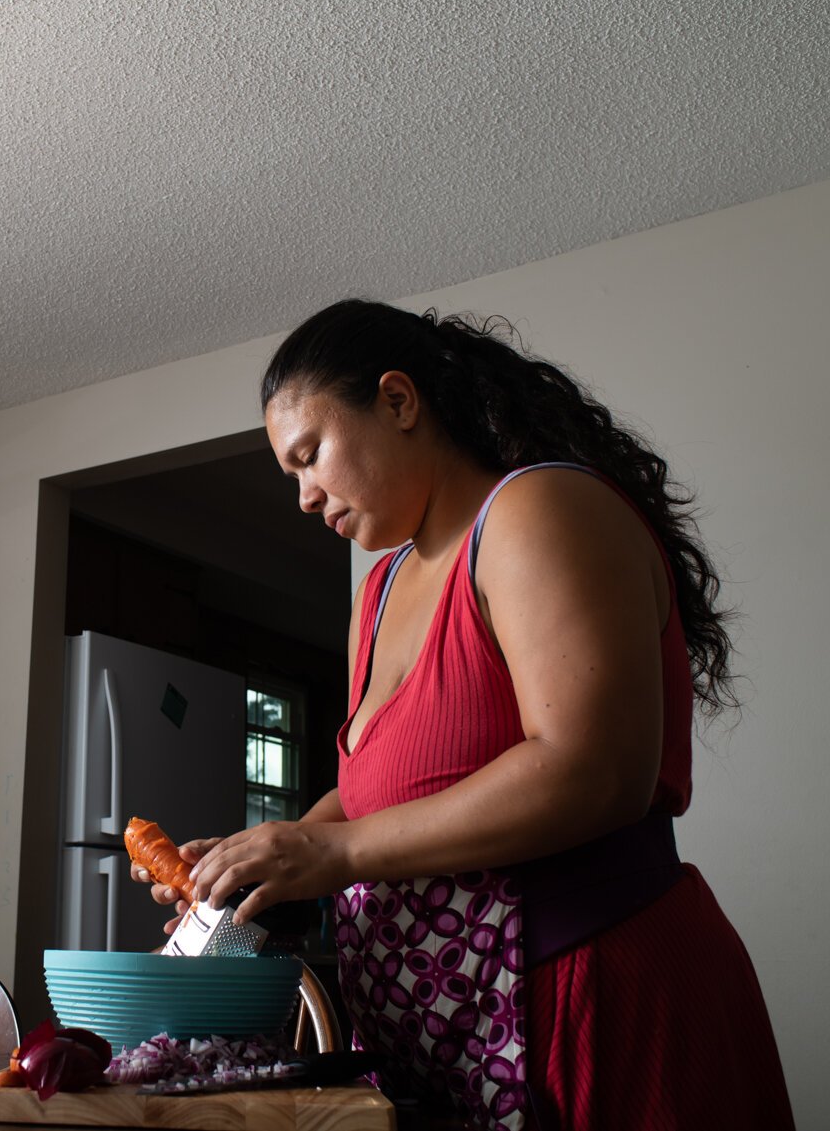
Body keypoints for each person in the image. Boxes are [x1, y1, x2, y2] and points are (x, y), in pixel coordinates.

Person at [130, 299, 794, 1129]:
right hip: (446, 1047)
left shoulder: (536, 510)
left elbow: (595, 770)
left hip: (586, 1002)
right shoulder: (375, 594)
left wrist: (331, 849)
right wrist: (261, 860)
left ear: (400, 402)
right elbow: (373, 798)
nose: (302, 497)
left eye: (310, 456)